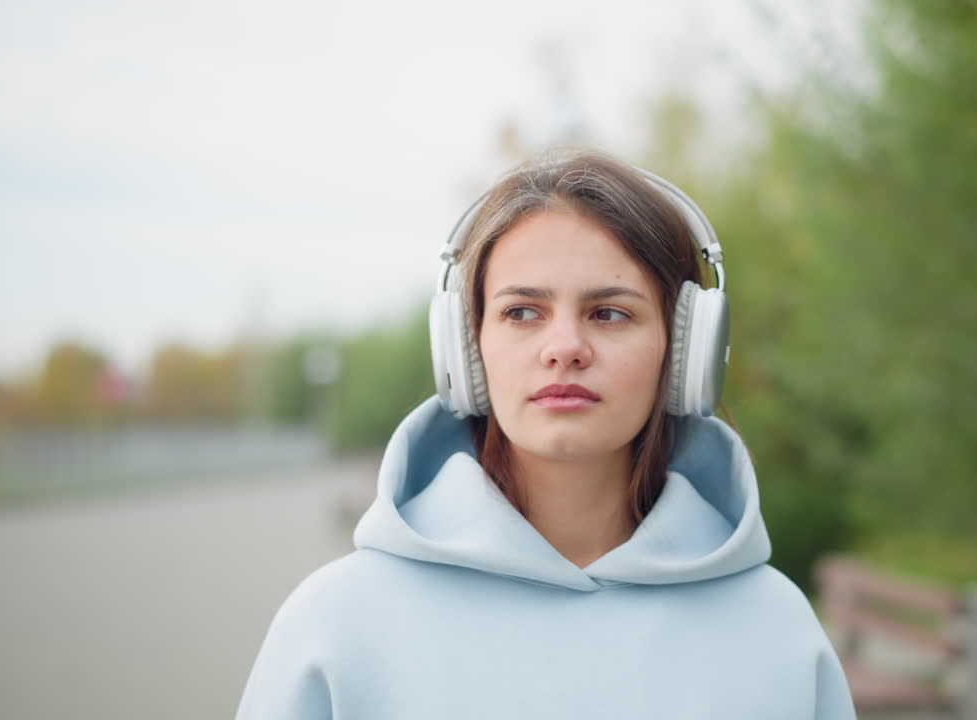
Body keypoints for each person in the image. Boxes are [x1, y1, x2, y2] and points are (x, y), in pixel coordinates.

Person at [236, 150, 856, 719]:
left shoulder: (780, 633)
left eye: (610, 312)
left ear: (685, 351)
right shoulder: (335, 626)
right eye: (522, 312)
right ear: (465, 348)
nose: (564, 348)